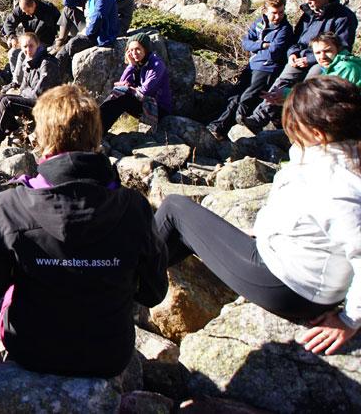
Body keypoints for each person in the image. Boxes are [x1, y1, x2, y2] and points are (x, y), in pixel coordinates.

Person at [0, 84, 168, 378]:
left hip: (32, 350)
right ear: (97, 137)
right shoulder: (134, 207)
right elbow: (153, 292)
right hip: (109, 354)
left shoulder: (11, 205)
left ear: (42, 137)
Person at [154, 76, 361, 355]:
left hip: (285, 285)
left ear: (318, 133)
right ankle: (135, 280)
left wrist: (350, 320)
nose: (290, 132)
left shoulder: (338, 183)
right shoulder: (338, 156)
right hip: (292, 269)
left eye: (295, 124)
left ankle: (111, 281)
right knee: (183, 233)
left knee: (174, 209)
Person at [242, 0, 357, 133]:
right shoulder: (309, 14)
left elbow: (342, 46)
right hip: (299, 56)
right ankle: (259, 118)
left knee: (310, 86)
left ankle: (303, 125)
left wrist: (309, 59)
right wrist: (293, 54)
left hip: (322, 60)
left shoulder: (344, 17)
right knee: (282, 81)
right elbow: (296, 39)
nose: (308, 1)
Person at [207, 0, 293, 140]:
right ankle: (217, 127)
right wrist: (262, 45)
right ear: (265, 10)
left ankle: (228, 131)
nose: (278, 16)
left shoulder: (285, 29)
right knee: (234, 96)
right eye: (274, 13)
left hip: (268, 68)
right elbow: (246, 43)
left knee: (246, 98)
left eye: (281, 12)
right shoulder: (260, 22)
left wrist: (258, 46)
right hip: (253, 65)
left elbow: (274, 52)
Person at [0, 31, 61, 147]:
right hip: (34, 101)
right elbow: (23, 88)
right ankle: (16, 130)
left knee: (7, 102)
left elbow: (39, 92)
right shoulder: (28, 63)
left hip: (47, 106)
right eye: (25, 46)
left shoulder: (46, 62)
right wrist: (27, 92)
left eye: (31, 46)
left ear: (38, 45)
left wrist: (27, 92)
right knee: (1, 97)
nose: (28, 49)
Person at [54, 0, 119, 78]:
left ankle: (57, 76)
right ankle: (59, 48)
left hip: (102, 35)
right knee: (68, 12)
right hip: (94, 30)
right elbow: (67, 2)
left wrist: (86, 33)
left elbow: (99, 15)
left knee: (72, 45)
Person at [99, 33, 172, 132]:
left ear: (145, 49)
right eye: (131, 50)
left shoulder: (156, 64)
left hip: (158, 109)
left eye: (138, 49)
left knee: (123, 96)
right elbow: (121, 84)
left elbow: (145, 91)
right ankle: (97, 127)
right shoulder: (138, 63)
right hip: (143, 103)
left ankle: (98, 131)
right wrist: (131, 65)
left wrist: (128, 88)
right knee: (119, 95)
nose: (134, 53)